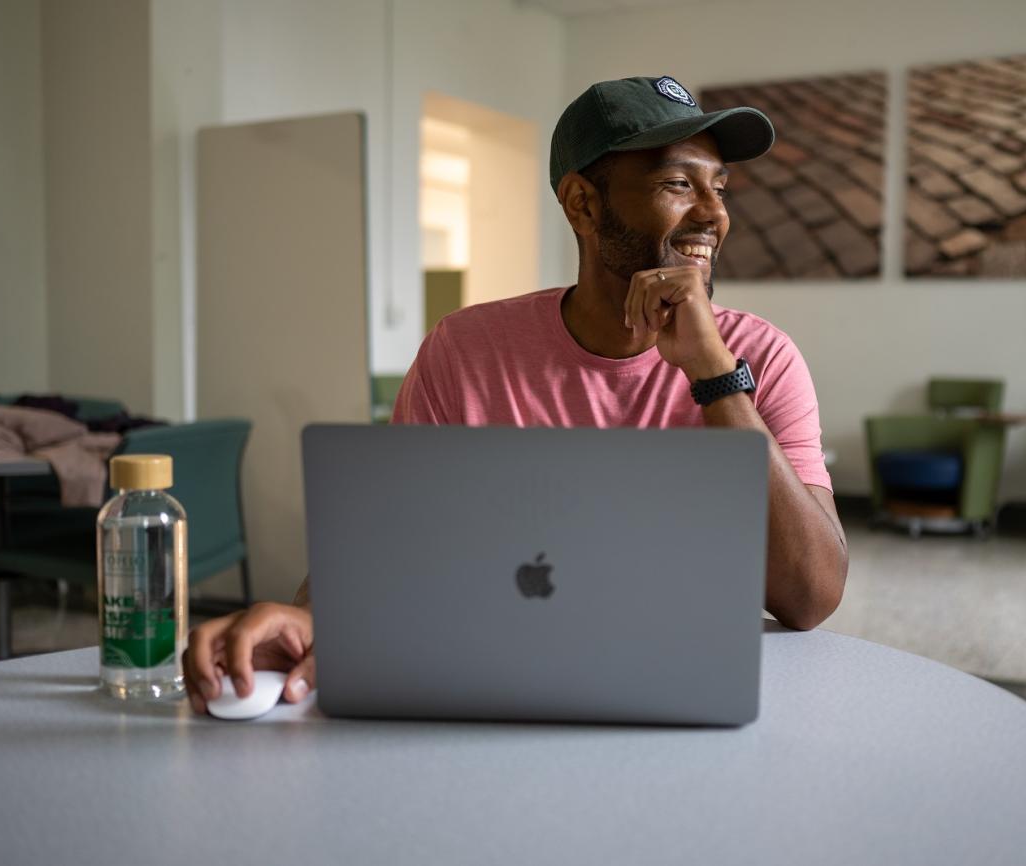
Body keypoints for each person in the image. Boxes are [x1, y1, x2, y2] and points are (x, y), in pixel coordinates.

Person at [184, 76, 849, 715]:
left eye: (720, 187)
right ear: (583, 203)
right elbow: (384, 538)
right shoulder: (465, 350)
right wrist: (306, 616)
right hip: (488, 681)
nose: (714, 215)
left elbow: (812, 596)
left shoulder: (759, 358)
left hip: (686, 690)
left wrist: (716, 377)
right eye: (678, 183)